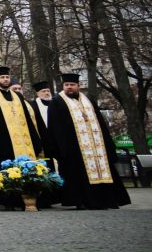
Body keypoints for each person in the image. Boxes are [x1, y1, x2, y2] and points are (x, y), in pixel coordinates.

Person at [46, 73, 130, 209]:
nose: (69, 88)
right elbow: (55, 128)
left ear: (78, 86)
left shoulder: (88, 101)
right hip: (74, 148)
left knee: (103, 170)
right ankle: (82, 201)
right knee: (78, 175)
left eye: (72, 85)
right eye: (66, 85)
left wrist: (108, 144)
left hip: (96, 147)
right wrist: (60, 148)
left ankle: (105, 200)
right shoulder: (57, 102)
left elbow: (101, 124)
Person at [0, 66, 43, 209]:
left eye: (7, 77)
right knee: (7, 171)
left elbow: (27, 119)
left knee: (25, 168)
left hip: (23, 142)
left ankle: (26, 200)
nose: (5, 79)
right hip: (3, 143)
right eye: (2, 77)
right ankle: (9, 202)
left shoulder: (17, 96)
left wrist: (34, 139)